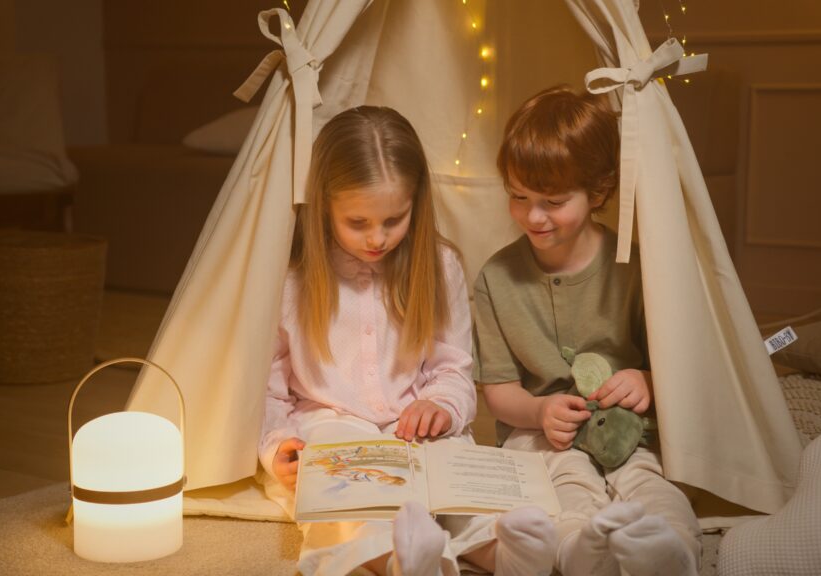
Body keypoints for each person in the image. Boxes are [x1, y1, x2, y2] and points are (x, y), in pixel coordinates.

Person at [258, 106, 557, 576]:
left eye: (394, 219)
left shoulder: (440, 265)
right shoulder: (291, 277)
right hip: (330, 424)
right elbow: (269, 389)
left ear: (416, 202)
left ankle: (509, 554)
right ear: (323, 205)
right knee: (349, 507)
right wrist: (277, 448)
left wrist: (442, 404)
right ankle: (406, 562)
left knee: (464, 480)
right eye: (357, 223)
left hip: (416, 424)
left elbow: (453, 368)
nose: (377, 238)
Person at [472, 86, 702, 576]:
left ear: (597, 192)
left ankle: (669, 549)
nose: (533, 216)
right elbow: (498, 393)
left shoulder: (636, 267)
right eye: (518, 197)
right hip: (541, 436)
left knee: (651, 479)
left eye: (553, 201)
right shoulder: (495, 278)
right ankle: (580, 552)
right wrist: (539, 410)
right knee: (562, 488)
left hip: (629, 429)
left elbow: (682, 363)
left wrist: (646, 378)